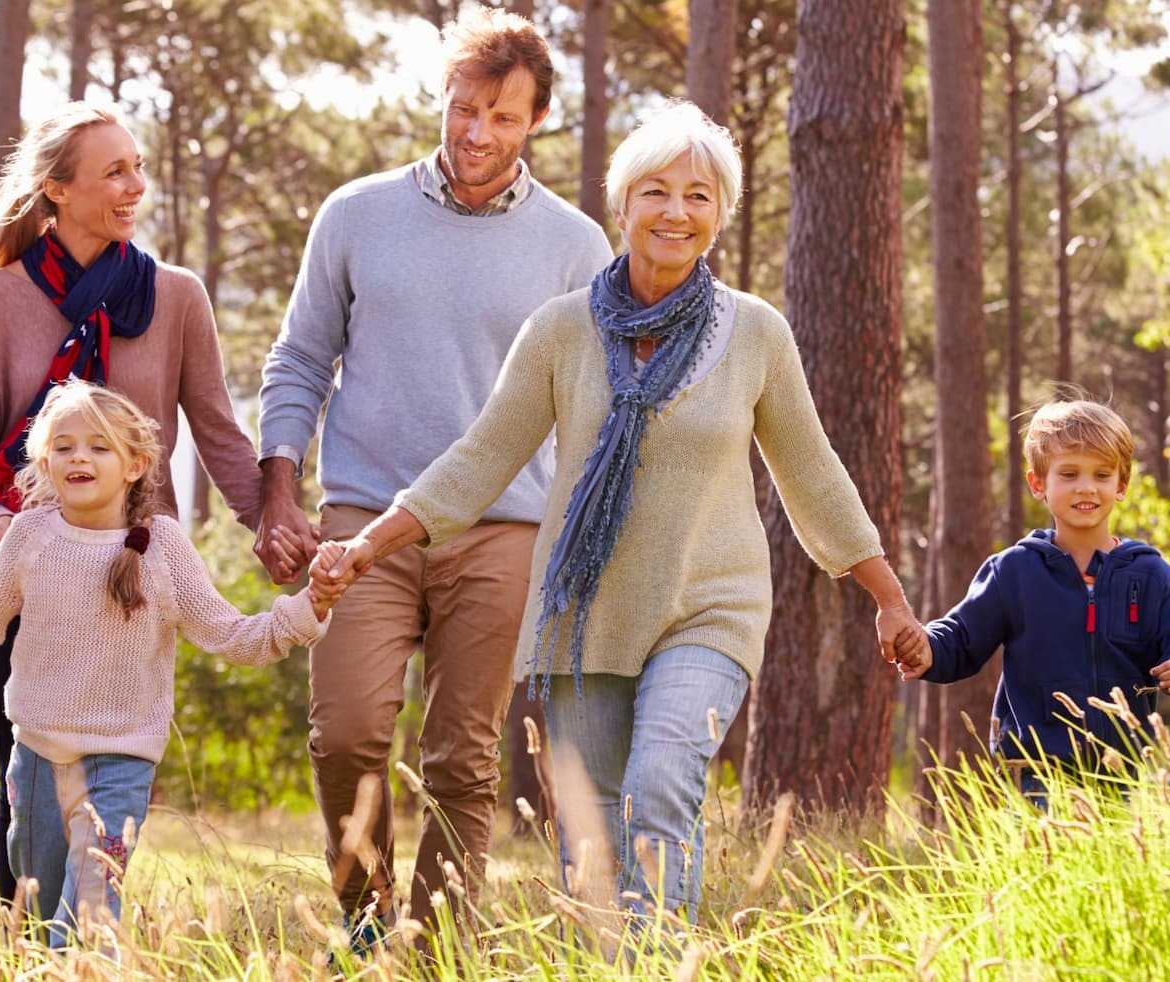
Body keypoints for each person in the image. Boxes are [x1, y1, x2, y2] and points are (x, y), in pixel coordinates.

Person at [318, 102, 929, 925]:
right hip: (587, 611)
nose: (676, 212)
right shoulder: (562, 331)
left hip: (710, 606)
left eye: (698, 196)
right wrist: (368, 542)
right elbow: (479, 460)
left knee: (660, 783)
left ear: (721, 214)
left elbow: (812, 472)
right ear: (623, 204)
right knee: (593, 829)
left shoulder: (755, 334)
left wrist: (887, 594)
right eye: (655, 191)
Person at [254, 8, 613, 941]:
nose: (476, 135)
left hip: (504, 527)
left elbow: (593, 406)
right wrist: (279, 488)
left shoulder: (576, 247)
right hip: (362, 519)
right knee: (346, 733)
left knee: (462, 756)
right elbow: (299, 359)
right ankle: (366, 927)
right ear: (442, 102)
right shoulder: (357, 214)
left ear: (535, 120)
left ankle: (437, 946)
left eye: (501, 116)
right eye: (463, 110)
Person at [0, 102, 269, 902]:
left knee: (115, 774)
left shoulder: (178, 297)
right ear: (56, 189)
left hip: (134, 570)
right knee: (22, 769)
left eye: (139, 167)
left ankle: (87, 935)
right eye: (115, 171)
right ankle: (26, 940)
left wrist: (274, 522)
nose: (136, 186)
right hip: (29, 565)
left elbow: (220, 430)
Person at [0, 382, 339, 945]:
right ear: (44, 461)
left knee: (88, 923)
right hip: (37, 762)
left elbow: (234, 636)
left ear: (136, 464)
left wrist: (308, 606)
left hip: (119, 766)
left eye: (99, 447)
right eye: (65, 446)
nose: (80, 458)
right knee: (43, 916)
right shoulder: (28, 537)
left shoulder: (162, 549)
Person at [911, 399, 1170, 787]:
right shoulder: (1014, 571)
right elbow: (961, 639)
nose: (1085, 487)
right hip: (1035, 770)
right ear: (1039, 483)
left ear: (1121, 485)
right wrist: (926, 649)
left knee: (1114, 848)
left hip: (1122, 771)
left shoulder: (1151, 575)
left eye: (1101, 475)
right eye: (1069, 474)